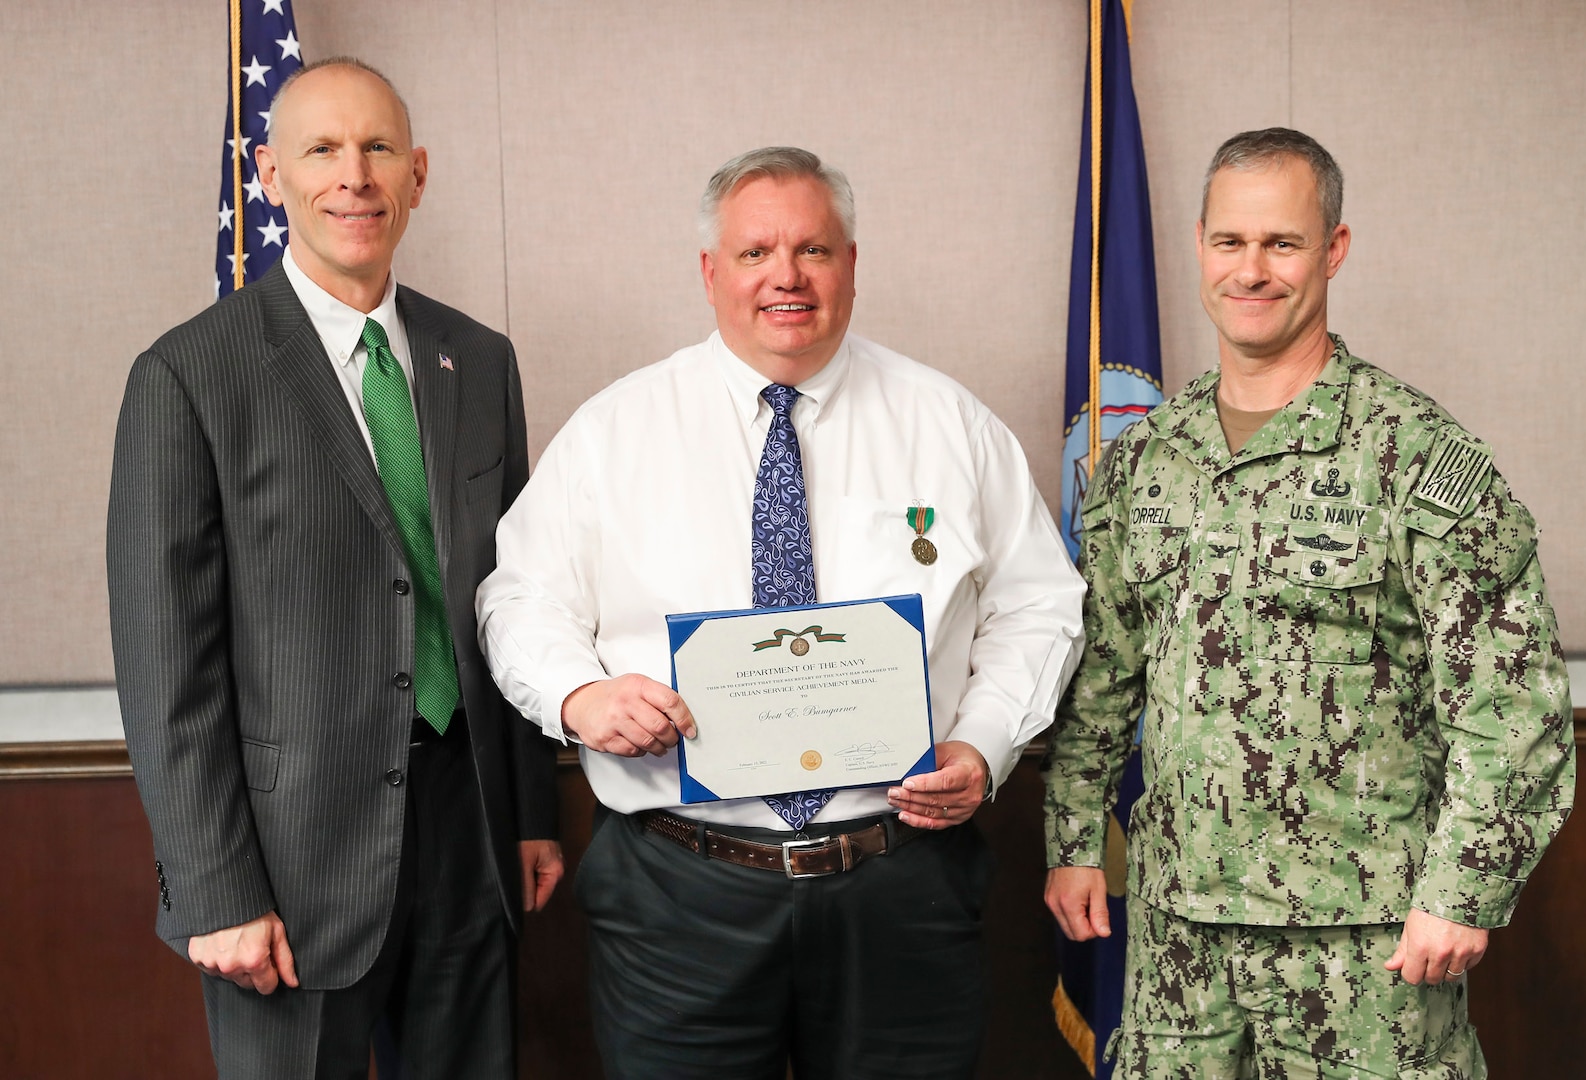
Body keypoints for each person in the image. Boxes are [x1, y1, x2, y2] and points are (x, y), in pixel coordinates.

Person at [476, 146, 1087, 1079]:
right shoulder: (617, 431)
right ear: (711, 272)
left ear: (851, 263)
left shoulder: (948, 423)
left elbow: (1039, 604)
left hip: (902, 882)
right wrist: (578, 698)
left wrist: (987, 741)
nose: (786, 277)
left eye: (813, 250)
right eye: (757, 252)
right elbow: (518, 596)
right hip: (678, 890)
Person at [1042, 127, 1576, 1078]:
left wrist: (1462, 890)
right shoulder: (1142, 462)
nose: (1252, 270)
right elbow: (1104, 673)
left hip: (1362, 944)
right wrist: (1076, 838)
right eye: (1231, 242)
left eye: (1282, 244)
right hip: (1179, 946)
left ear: (1332, 250)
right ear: (1200, 243)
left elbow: (1513, 700)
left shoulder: (1412, 453)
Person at [107, 57, 561, 1080]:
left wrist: (530, 813)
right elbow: (164, 662)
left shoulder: (478, 360)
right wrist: (215, 887)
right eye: (321, 149)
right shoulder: (188, 375)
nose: (353, 175)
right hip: (286, 862)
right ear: (270, 175)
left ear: (419, 174)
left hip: (470, 836)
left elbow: (519, 597)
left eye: (379, 148)